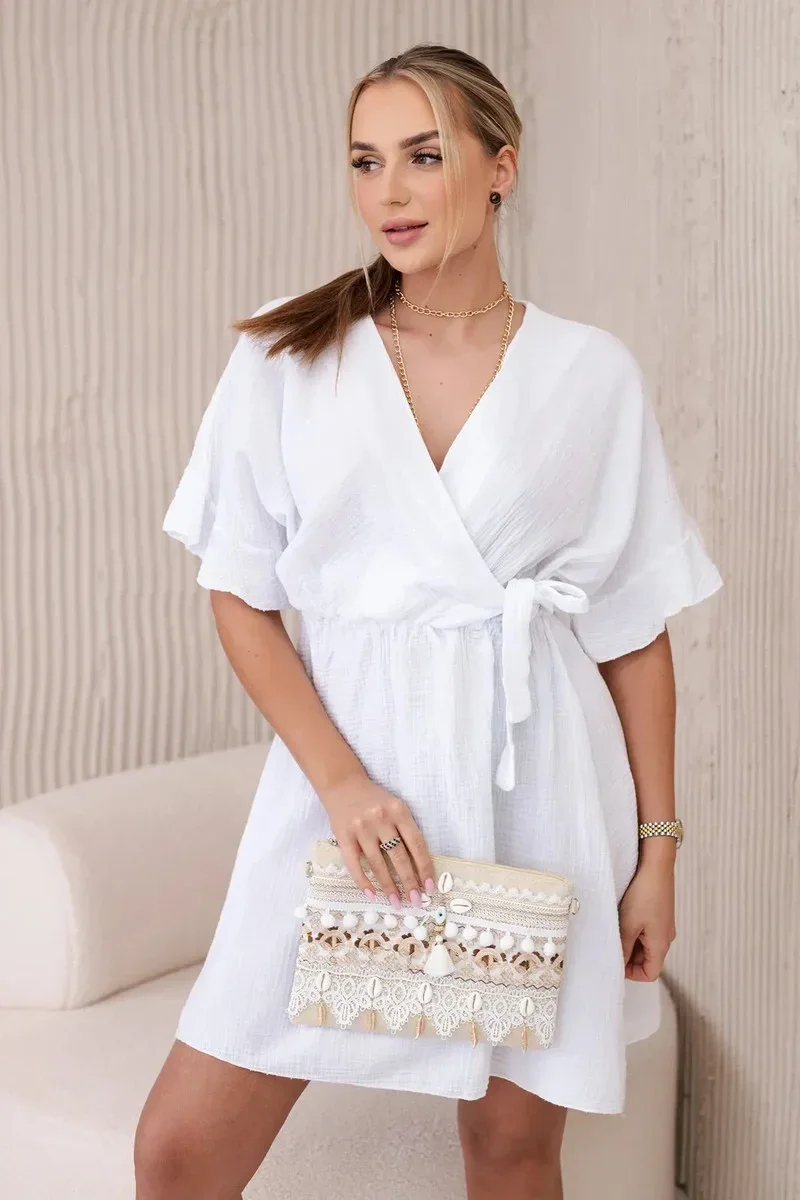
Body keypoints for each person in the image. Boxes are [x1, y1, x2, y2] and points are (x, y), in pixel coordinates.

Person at [134, 42, 722, 1200]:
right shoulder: (287, 355)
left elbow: (630, 630)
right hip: (343, 795)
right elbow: (238, 594)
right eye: (365, 162)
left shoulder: (589, 374)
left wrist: (656, 856)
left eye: (422, 155)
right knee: (180, 1148)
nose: (389, 191)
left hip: (537, 790)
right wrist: (342, 785)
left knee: (510, 1150)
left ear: (500, 168)